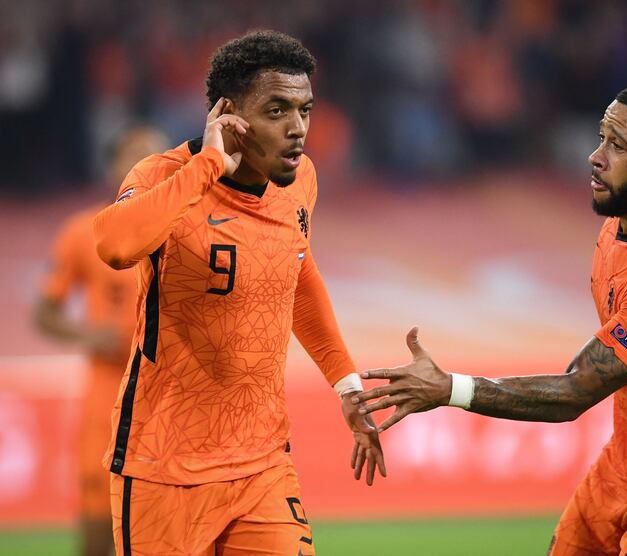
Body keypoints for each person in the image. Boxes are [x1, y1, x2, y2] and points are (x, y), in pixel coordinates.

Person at [355, 83, 627, 555]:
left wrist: (449, 388)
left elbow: (575, 393)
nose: (596, 157)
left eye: (618, 146)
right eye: (601, 137)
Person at [92, 30, 384, 555]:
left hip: (263, 465)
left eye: (305, 109)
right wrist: (208, 164)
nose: (298, 129)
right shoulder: (162, 174)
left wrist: (346, 385)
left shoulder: (300, 184)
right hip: (163, 470)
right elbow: (115, 246)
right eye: (277, 111)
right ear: (228, 114)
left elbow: (297, 275)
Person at [34, 125, 169, 556]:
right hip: (107, 396)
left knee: (170, 528)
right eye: (133, 156)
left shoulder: (192, 229)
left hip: (171, 397)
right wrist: (89, 335)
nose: (144, 165)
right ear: (113, 167)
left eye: (154, 156)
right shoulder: (84, 231)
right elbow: (44, 312)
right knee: (98, 526)